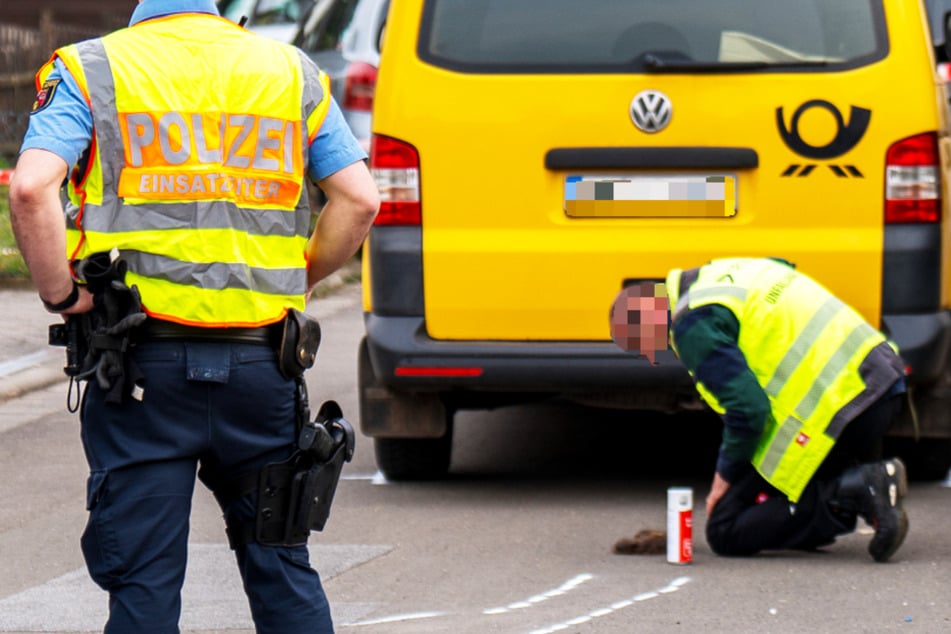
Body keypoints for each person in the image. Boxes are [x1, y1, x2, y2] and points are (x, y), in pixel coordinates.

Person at [8, 0, 379, 632]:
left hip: (139, 372)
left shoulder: (93, 68)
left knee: (144, 587)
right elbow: (359, 200)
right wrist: (294, 278)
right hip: (263, 366)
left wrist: (62, 297)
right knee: (281, 570)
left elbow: (30, 187)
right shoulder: (291, 73)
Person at [611, 258, 909, 563]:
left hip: (842, 409)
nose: (650, 356)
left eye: (642, 344)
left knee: (725, 529)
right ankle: (858, 492)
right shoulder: (722, 275)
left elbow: (748, 411)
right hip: (879, 379)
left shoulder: (692, 325)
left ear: (650, 317)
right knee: (760, 490)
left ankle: (856, 491)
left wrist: (720, 482)